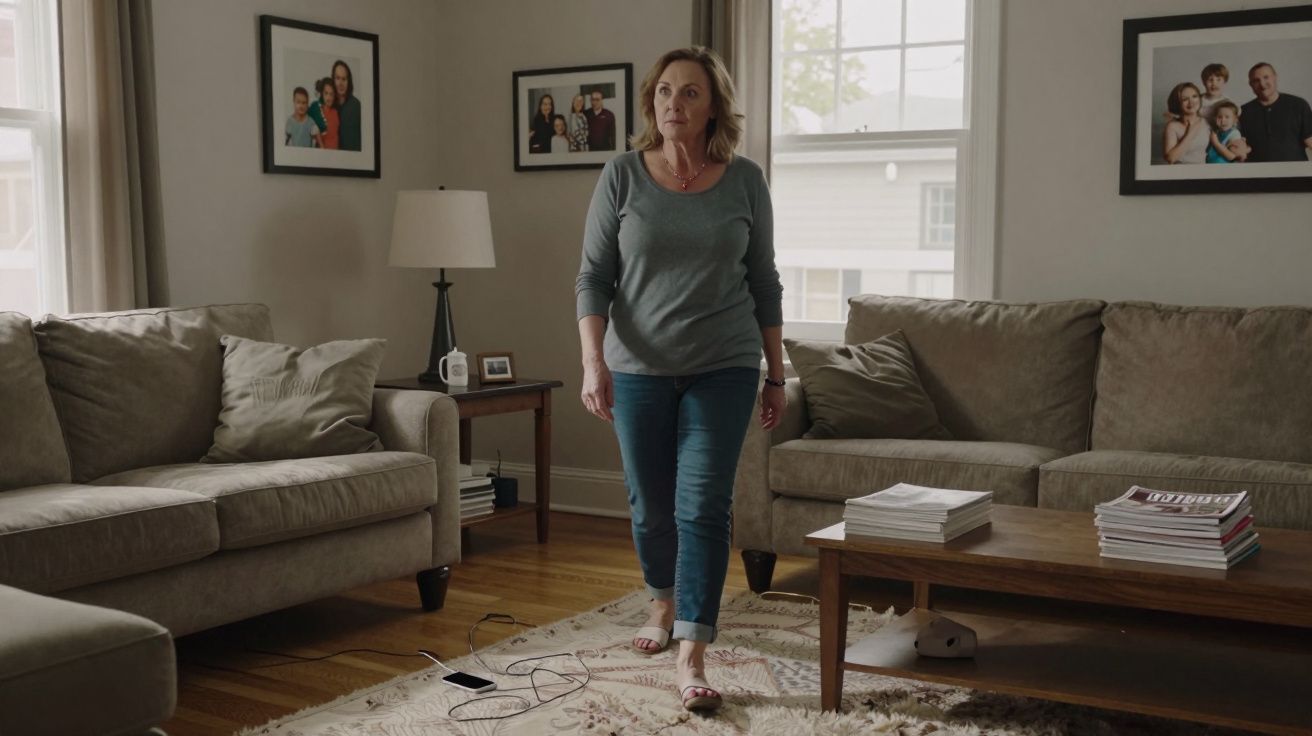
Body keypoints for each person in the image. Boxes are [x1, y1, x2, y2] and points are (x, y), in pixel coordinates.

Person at [575, 46, 785, 714]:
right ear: (652, 105)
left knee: (702, 505)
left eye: (690, 93)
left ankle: (693, 649)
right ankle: (661, 601)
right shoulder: (621, 176)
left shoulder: (746, 181)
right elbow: (593, 277)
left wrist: (777, 372)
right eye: (664, 92)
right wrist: (592, 361)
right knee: (650, 505)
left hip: (722, 367)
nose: (674, 104)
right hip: (636, 368)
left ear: (713, 106)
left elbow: (764, 282)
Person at [1239, 62, 1312, 162]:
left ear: (1275, 77)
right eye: (1256, 80)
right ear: (1251, 84)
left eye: (1266, 77)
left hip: (1295, 172)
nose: (1262, 84)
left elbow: (1310, 140)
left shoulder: (1299, 105)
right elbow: (1240, 147)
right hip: (1258, 174)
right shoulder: (1243, 112)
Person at [1162, 82, 1209, 164]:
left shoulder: (1205, 122)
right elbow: (1170, 158)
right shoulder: (1172, 126)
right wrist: (1190, 133)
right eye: (1185, 99)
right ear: (1177, 103)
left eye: (1194, 96)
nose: (1191, 102)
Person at [333, 60, 362, 152]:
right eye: (337, 78)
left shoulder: (356, 106)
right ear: (333, 80)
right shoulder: (328, 106)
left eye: (344, 79)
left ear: (349, 81)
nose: (341, 83)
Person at [307, 77, 339, 150]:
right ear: (322, 93)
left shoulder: (335, 112)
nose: (329, 97)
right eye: (326, 93)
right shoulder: (316, 109)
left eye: (331, 94)